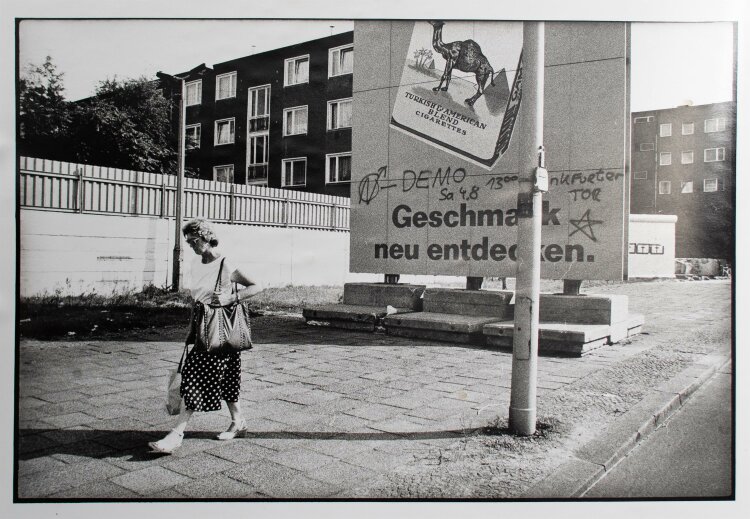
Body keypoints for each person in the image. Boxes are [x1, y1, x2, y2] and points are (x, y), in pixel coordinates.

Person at [149, 218, 260, 454]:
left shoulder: (226, 263)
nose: (192, 245)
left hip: (221, 329)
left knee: (194, 378)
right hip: (202, 326)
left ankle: (176, 434)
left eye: (194, 241)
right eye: (188, 242)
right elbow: (196, 300)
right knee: (226, 379)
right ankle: (238, 421)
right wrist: (191, 328)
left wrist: (231, 298)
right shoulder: (195, 263)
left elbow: (256, 286)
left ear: (207, 238)